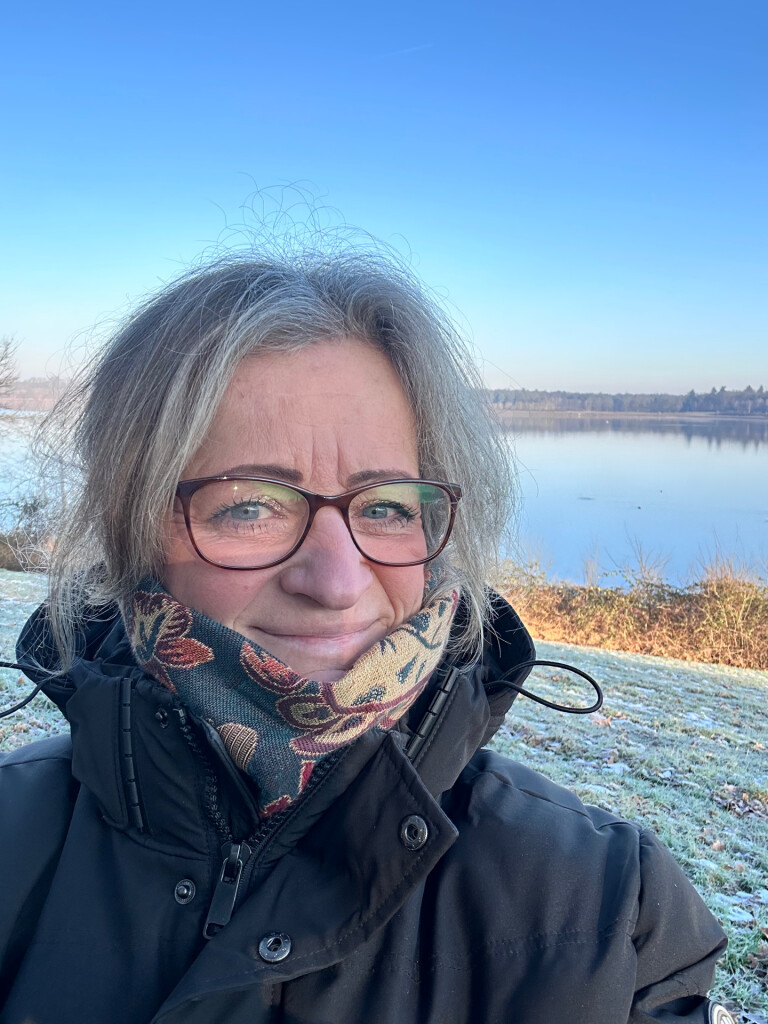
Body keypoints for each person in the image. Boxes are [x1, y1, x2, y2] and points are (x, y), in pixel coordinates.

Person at [0, 248, 732, 1023]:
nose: (338, 583)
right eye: (249, 506)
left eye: (385, 507)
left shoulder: (608, 913)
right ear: (132, 534)